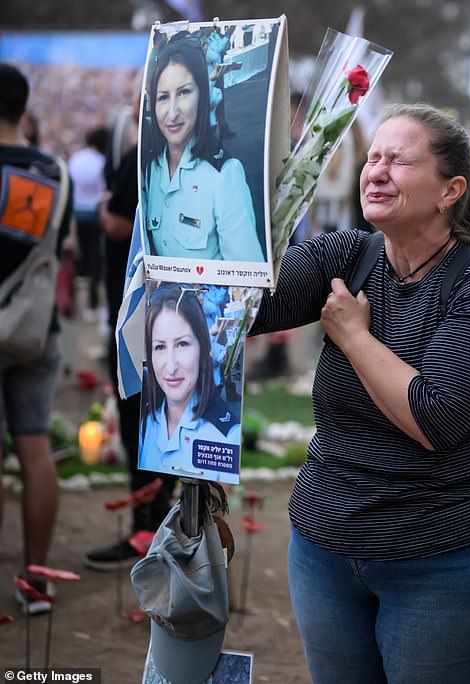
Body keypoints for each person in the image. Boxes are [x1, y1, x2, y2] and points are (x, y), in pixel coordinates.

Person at [249, 102, 470, 683]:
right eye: (372, 157)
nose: (374, 171)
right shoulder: (346, 255)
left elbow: (436, 418)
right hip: (323, 550)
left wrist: (353, 335)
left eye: (397, 161)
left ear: (450, 190)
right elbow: (247, 307)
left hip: (440, 565)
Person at [83, 116, 177, 572]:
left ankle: (149, 529)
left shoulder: (139, 157)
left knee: (140, 419)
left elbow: (119, 225)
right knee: (166, 419)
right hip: (179, 310)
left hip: (139, 311)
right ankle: (164, 526)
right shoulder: (194, 154)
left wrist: (103, 207)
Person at [0, 64, 73, 613]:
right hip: (34, 328)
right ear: (24, 107)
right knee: (35, 450)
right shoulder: (55, 172)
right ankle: (36, 582)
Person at [141, 33, 264, 262]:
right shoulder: (149, 171)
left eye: (184, 92)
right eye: (163, 97)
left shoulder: (225, 176)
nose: (173, 112)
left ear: (203, 95)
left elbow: (248, 282)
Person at [139, 283, 240, 476]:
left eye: (182, 344)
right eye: (159, 347)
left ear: (204, 347)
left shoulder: (227, 436)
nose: (171, 366)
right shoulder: (147, 423)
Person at [68, 126, 108, 316]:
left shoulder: (76, 158)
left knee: (76, 258)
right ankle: (92, 303)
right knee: (94, 259)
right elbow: (103, 189)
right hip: (94, 214)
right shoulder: (101, 161)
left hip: (76, 213)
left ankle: (73, 301)